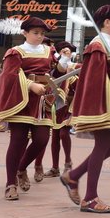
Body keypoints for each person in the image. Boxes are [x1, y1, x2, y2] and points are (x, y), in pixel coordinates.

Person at [62, 4, 110, 213]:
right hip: (102, 102)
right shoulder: (97, 45)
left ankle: (73, 177)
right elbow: (95, 80)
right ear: (106, 22)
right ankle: (90, 198)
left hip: (108, 102)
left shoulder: (108, 44)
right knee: (104, 144)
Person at [0, 17, 57, 200]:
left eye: (42, 33)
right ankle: (10, 184)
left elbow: (56, 71)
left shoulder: (49, 51)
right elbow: (9, 75)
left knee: (41, 139)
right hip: (21, 100)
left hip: (42, 101)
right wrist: (30, 85)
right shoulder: (15, 52)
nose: (39, 36)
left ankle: (21, 168)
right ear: (25, 33)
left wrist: (66, 65)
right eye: (35, 33)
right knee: (18, 141)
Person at [37, 41, 78, 181]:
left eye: (69, 51)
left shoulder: (75, 66)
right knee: (55, 135)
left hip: (69, 104)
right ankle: (55, 167)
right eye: (63, 51)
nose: (66, 53)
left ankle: (68, 163)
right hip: (55, 103)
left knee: (63, 133)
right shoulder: (54, 66)